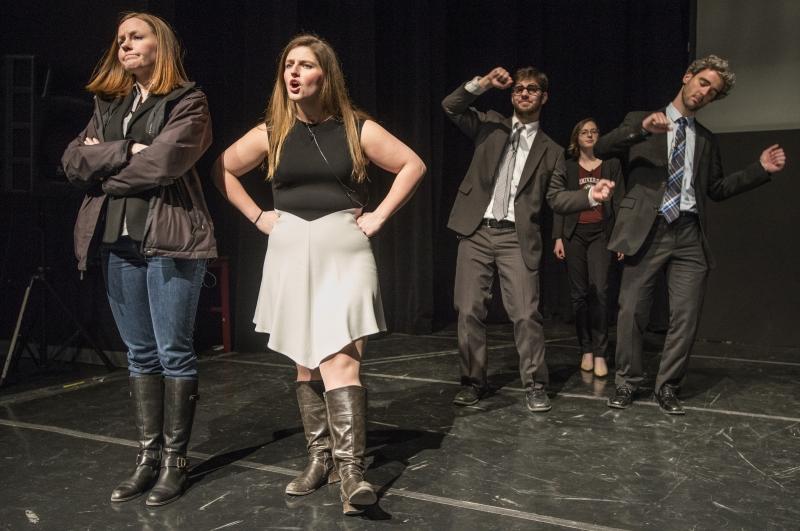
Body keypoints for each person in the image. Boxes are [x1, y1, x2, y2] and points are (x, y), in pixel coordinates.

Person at [213, 34, 425, 515]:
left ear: (324, 76)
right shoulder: (273, 130)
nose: (293, 73)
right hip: (290, 249)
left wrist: (379, 216)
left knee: (342, 356)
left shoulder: (356, 127)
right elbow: (222, 168)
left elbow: (412, 164)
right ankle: (320, 459)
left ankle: (352, 475)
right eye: (288, 65)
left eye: (305, 65)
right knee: (305, 361)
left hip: (343, 251)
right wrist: (258, 216)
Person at [61, 12, 216, 505]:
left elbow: (165, 163)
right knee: (139, 354)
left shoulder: (188, 101)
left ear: (160, 45)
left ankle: (175, 462)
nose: (125, 44)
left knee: (173, 352)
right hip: (116, 244)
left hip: (170, 241)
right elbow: (70, 162)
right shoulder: (109, 104)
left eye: (137, 36)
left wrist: (103, 165)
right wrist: (127, 147)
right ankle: (146, 458)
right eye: (121, 38)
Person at [595, 55, 786, 414]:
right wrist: (641, 131)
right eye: (703, 83)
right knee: (631, 310)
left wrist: (758, 170)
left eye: (712, 92)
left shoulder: (706, 140)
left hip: (688, 233)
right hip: (646, 231)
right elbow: (603, 148)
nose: (705, 93)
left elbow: (716, 188)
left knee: (685, 316)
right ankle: (627, 383)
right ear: (687, 77)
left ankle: (667, 386)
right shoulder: (640, 120)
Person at [443, 66, 615, 412]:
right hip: (476, 230)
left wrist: (590, 197)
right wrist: (482, 83)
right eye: (519, 89)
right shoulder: (490, 124)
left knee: (525, 314)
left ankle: (535, 383)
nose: (524, 93)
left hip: (515, 238)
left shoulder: (551, 150)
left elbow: (556, 199)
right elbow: (451, 106)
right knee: (468, 310)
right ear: (511, 95)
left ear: (543, 97)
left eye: (532, 89)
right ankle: (473, 381)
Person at [553, 118, 625, 378]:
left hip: (602, 235)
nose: (590, 135)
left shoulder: (612, 165)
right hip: (574, 235)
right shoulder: (568, 166)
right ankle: (585, 348)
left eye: (594, 131)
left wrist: (622, 238)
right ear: (576, 138)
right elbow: (560, 201)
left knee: (601, 292)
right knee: (579, 295)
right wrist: (558, 237)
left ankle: (600, 352)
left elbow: (619, 202)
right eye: (584, 131)